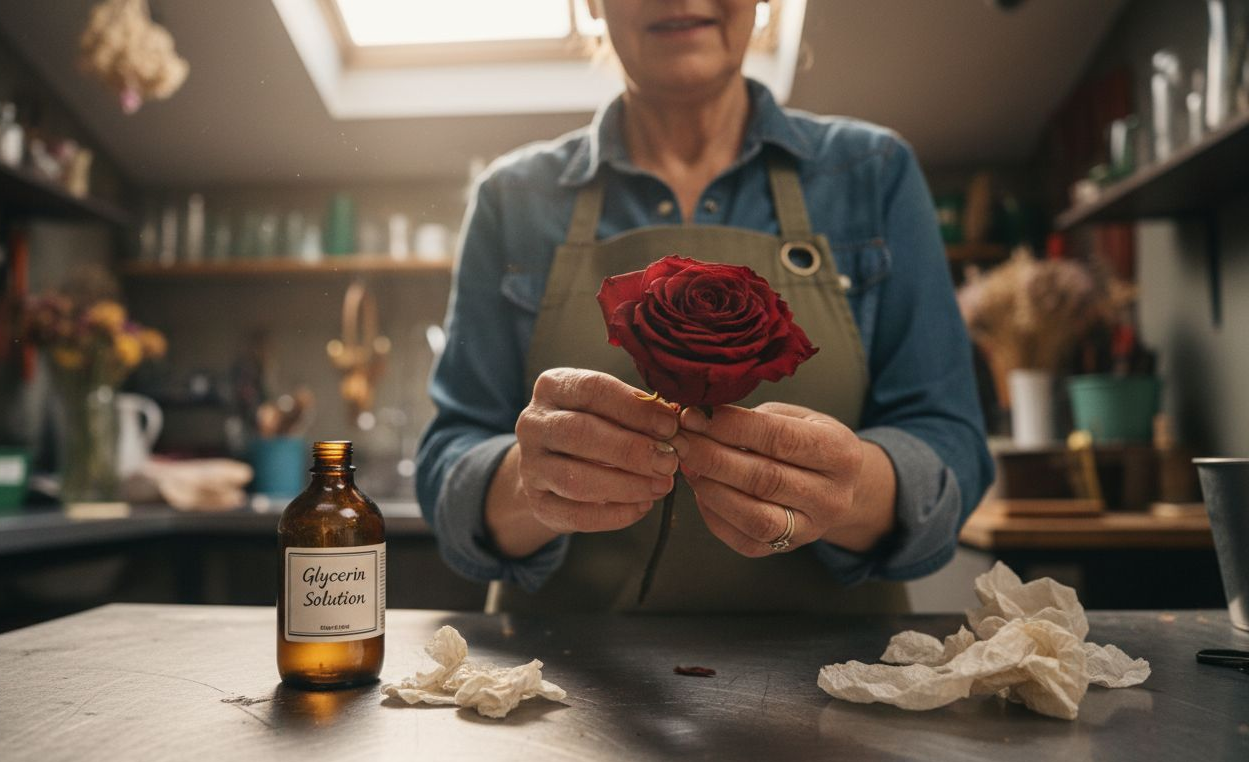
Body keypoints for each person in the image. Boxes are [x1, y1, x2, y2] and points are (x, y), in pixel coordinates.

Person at [416, 0, 993, 613]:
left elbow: (949, 440)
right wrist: (527, 482)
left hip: (830, 685)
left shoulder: (873, 175)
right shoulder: (512, 199)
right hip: (562, 691)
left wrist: (852, 491)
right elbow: (446, 461)